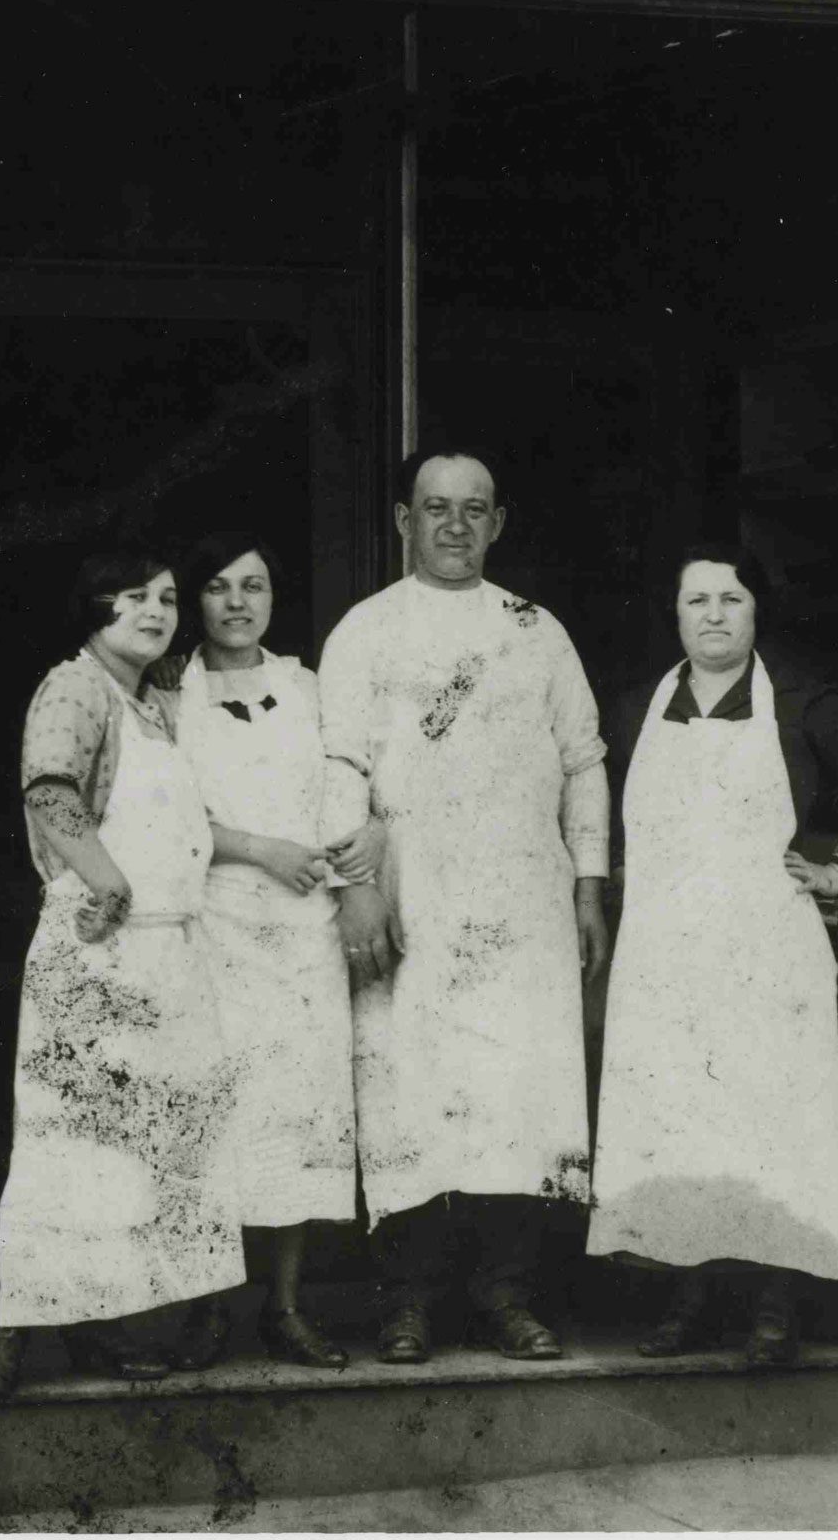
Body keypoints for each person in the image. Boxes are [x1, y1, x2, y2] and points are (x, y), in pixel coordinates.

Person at [588, 542, 838, 1364]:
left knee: (770, 1124)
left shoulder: (804, 704)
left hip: (766, 952)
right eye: (696, 600)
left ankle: (776, 1306)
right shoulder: (636, 709)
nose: (713, 615)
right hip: (666, 955)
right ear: (675, 614)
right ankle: (688, 1297)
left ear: (756, 610)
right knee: (682, 1123)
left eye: (730, 599)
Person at [317, 448, 612, 1364]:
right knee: (411, 1091)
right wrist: (355, 889)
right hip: (414, 909)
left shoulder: (537, 631)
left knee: (518, 1095)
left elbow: (584, 761)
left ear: (498, 522)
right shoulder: (364, 632)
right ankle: (408, 1299)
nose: (454, 525)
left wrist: (590, 886)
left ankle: (507, 1294)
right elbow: (339, 766)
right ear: (402, 520)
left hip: (523, 907)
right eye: (435, 508)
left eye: (473, 509)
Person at [0, 551, 245, 1398]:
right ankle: (10, 1331)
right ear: (93, 607)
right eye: (135, 597)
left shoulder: (152, 705)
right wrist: (106, 877)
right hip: (96, 948)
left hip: (165, 955)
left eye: (166, 598)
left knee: (148, 1153)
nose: (157, 611)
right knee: (68, 1148)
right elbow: (51, 791)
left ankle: (117, 1327)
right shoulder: (75, 687)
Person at [168, 531, 382, 1369]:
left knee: (295, 1116)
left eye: (253, 585)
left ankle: (284, 1306)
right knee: (219, 1118)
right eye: (217, 586)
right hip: (214, 926)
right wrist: (262, 848)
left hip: (302, 935)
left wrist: (360, 841)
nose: (236, 602)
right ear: (194, 600)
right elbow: (167, 815)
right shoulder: (166, 694)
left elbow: (349, 777)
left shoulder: (306, 685)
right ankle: (209, 1311)